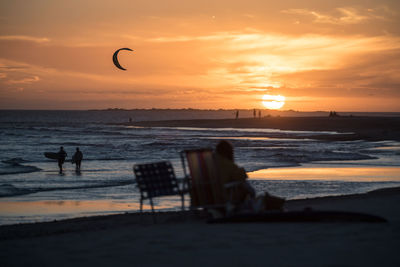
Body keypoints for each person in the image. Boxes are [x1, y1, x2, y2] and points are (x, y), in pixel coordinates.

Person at [215, 140, 285, 211]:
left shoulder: (211, 165)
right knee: (247, 187)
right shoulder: (227, 165)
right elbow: (242, 177)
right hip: (227, 197)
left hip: (214, 198)